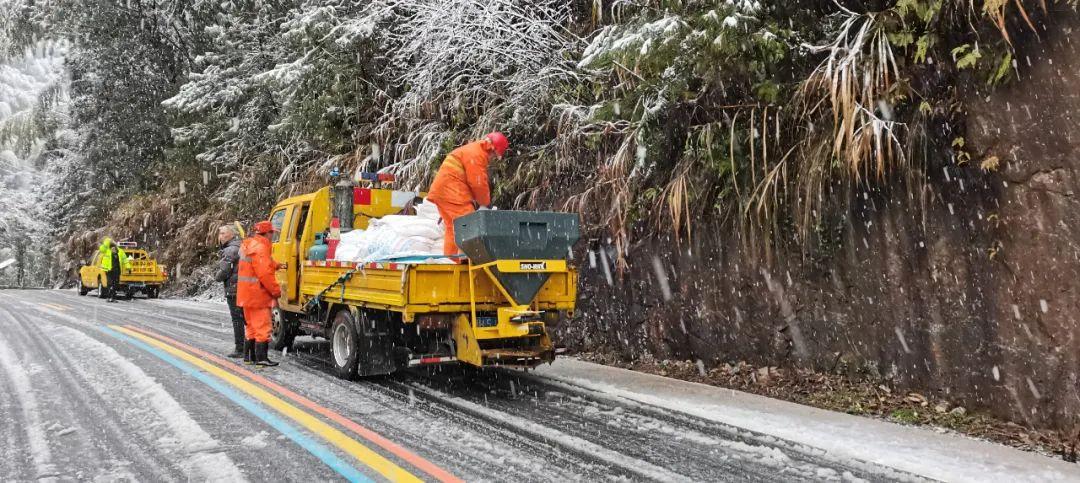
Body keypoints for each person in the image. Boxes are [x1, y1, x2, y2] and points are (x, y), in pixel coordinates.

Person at [426, 132, 508, 256]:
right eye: (495, 156)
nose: (493, 159)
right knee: (468, 225)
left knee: (453, 228)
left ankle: (451, 261)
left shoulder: (473, 150)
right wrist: (486, 203)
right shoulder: (478, 155)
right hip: (451, 192)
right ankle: (467, 261)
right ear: (492, 149)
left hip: (443, 191)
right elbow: (478, 183)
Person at [237, 220, 282, 367]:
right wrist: (276, 291)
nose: (273, 236)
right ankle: (261, 358)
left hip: (246, 294)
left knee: (251, 327)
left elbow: (258, 263)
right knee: (263, 327)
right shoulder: (261, 248)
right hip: (258, 295)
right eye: (272, 233)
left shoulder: (249, 245)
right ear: (267, 233)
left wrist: (276, 265)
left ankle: (248, 357)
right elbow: (264, 274)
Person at [214, 224, 245, 358]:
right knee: (246, 319)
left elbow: (225, 270)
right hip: (243, 287)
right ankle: (250, 348)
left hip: (234, 289)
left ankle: (240, 348)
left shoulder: (231, 249)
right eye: (220, 233)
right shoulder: (240, 246)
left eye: (223, 233)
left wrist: (217, 276)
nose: (220, 236)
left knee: (237, 320)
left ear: (232, 235)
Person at [98, 237, 132, 303]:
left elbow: (125, 260)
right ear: (110, 247)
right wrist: (107, 240)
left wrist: (128, 268)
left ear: (116, 248)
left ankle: (113, 297)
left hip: (117, 271)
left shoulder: (121, 252)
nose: (113, 249)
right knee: (110, 284)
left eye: (114, 248)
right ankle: (109, 297)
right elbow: (101, 248)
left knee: (115, 285)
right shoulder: (106, 251)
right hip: (109, 270)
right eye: (112, 248)